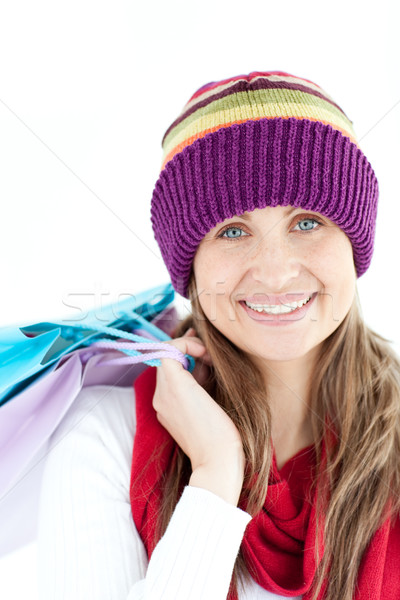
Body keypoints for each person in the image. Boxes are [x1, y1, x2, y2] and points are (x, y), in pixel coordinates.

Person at [37, 70, 400, 600]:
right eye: (233, 230)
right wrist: (213, 478)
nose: (275, 273)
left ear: (354, 242)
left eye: (307, 222)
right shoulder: (105, 442)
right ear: (191, 269)